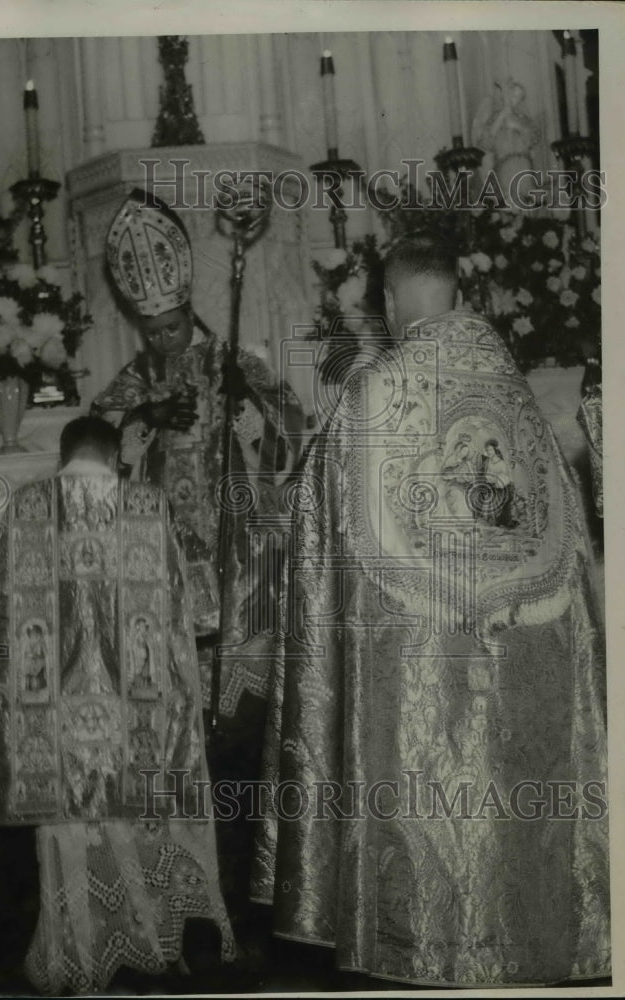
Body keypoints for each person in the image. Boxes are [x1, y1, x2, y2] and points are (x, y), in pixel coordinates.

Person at [252, 235, 610, 986]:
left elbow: (315, 553)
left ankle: (428, 954)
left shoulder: (367, 400)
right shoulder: (530, 411)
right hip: (523, 658)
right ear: (458, 292)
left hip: (414, 665)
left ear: (387, 305)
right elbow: (576, 554)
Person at [0, 415, 234, 995]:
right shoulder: (149, 503)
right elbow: (206, 610)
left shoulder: (24, 509)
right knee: (141, 815)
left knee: (73, 826)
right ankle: (153, 939)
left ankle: (81, 950)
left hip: (56, 716)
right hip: (134, 708)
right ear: (115, 455)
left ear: (61, 457)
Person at [91, 189, 304, 734]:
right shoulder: (139, 377)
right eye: (154, 332)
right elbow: (98, 440)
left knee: (243, 681)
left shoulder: (228, 360)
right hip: (163, 532)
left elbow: (287, 421)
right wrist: (146, 417)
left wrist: (245, 401)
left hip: (231, 533)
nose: (165, 340)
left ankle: (241, 738)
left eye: (174, 328)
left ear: (190, 312)